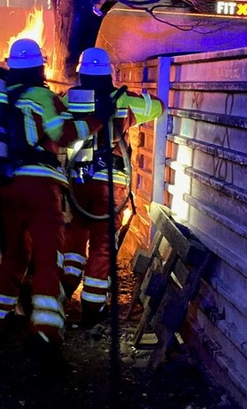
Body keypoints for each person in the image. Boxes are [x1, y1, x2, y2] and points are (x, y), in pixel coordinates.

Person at [0, 38, 100, 367]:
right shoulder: (42, 97)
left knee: (16, 252)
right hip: (40, 185)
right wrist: (96, 120)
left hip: (6, 184)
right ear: (40, 66)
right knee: (49, 257)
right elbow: (63, 134)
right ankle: (45, 334)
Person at [62, 47, 164, 327]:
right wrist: (129, 94)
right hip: (111, 183)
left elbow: (58, 127)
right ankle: (92, 308)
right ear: (109, 73)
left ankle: (65, 287)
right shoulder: (124, 101)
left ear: (81, 74)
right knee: (103, 245)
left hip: (79, 181)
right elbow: (159, 105)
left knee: (76, 233)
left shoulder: (68, 98)